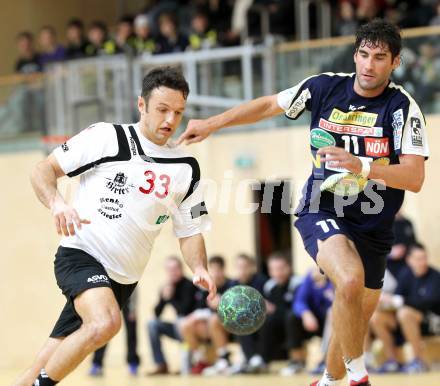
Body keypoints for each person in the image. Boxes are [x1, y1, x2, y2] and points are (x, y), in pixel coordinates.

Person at [178, 19, 429, 386]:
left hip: (375, 224)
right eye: (363, 54)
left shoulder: (402, 108)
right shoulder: (324, 87)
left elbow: (414, 177)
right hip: (321, 207)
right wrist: (213, 124)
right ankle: (359, 376)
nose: (368, 65)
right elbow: (268, 105)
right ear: (354, 54)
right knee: (348, 280)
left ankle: (329, 379)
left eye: (379, 58)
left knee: (354, 313)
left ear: (395, 62)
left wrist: (362, 166)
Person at [13, 66, 216, 386]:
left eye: (178, 112)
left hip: (123, 279)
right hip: (82, 254)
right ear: (141, 105)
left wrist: (199, 268)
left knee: (44, 359)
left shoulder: (186, 168)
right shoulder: (107, 137)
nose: (169, 120)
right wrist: (57, 203)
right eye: (162, 110)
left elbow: (190, 229)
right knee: (106, 322)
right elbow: (43, 169)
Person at [370, 243, 440, 373]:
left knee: (405, 313)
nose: (422, 262)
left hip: (430, 321)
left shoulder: (435, 277)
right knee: (376, 317)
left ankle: (419, 361)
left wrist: (398, 300)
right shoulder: (405, 274)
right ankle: (393, 361)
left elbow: (426, 303)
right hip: (404, 321)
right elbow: (396, 298)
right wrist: (384, 302)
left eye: (424, 257)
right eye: (418, 258)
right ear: (409, 260)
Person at [180, 255, 234, 375]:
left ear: (223, 270)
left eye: (217, 270)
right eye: (212, 270)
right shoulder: (206, 288)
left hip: (231, 326)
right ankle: (201, 361)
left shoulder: (232, 285)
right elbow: (200, 310)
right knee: (185, 325)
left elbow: (237, 310)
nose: (215, 273)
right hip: (211, 326)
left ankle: (224, 360)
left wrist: (222, 304)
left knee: (214, 319)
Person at [147, 255, 198, 375]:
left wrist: (170, 299)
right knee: (152, 324)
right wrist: (163, 298)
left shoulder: (189, 285)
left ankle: (190, 365)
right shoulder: (167, 287)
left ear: (181, 269)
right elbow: (157, 313)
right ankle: (161, 364)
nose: (172, 272)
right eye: (169, 270)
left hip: (191, 327)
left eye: (175, 269)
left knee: (181, 322)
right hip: (178, 328)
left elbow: (184, 310)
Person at [281, 267, 334, 376]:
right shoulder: (310, 277)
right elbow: (299, 301)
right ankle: (297, 361)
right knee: (292, 317)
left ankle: (327, 361)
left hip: (331, 323)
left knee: (332, 314)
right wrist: (306, 314)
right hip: (312, 322)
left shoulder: (336, 277)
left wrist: (325, 289)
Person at [89, 289, 140, 376]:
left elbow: (134, 285)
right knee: (104, 328)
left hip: (128, 293)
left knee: (131, 330)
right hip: (110, 295)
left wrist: (133, 308)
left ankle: (133, 363)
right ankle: (97, 363)